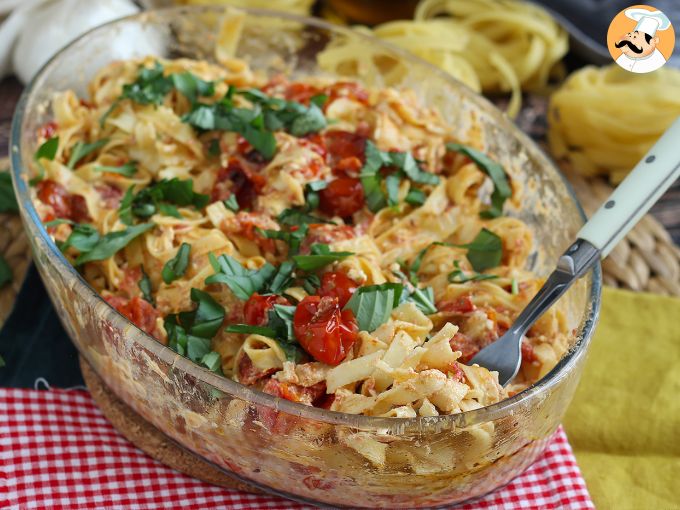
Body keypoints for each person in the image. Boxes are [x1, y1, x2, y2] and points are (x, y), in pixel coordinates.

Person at [614, 9, 671, 74]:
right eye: (630, 36)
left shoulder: (659, 63)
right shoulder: (621, 57)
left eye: (635, 37)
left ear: (654, 41)